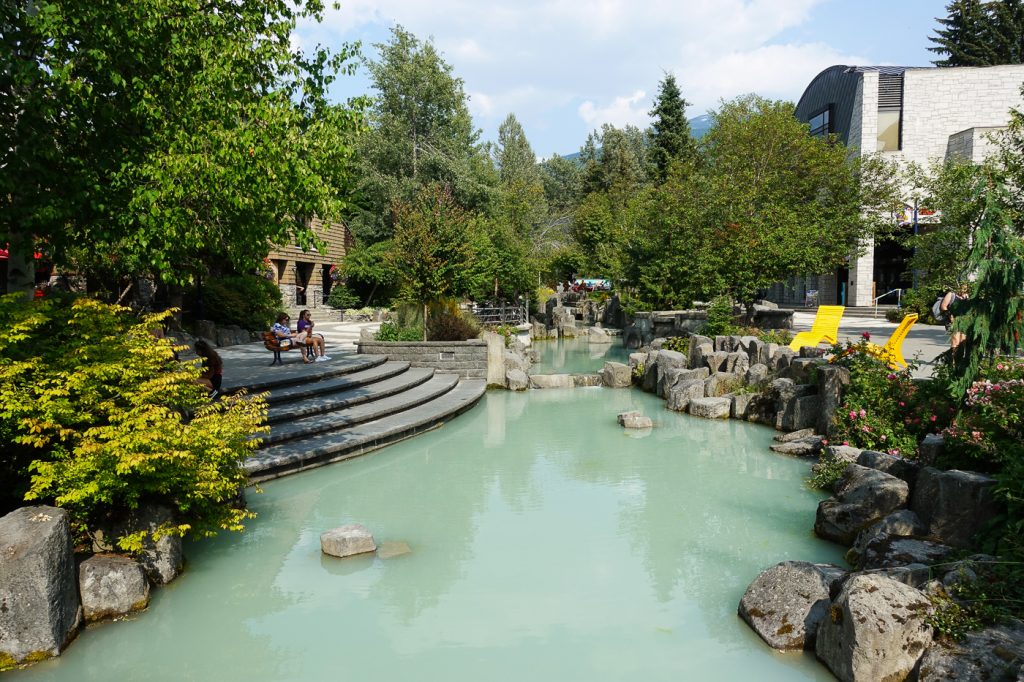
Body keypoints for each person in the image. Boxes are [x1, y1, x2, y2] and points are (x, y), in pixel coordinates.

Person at [939, 285, 969, 352]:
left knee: (963, 341)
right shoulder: (951, 294)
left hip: (963, 321)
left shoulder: (967, 296)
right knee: (955, 341)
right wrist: (950, 316)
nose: (963, 290)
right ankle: (953, 361)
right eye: (962, 288)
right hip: (952, 321)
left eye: (965, 289)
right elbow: (943, 306)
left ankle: (960, 359)